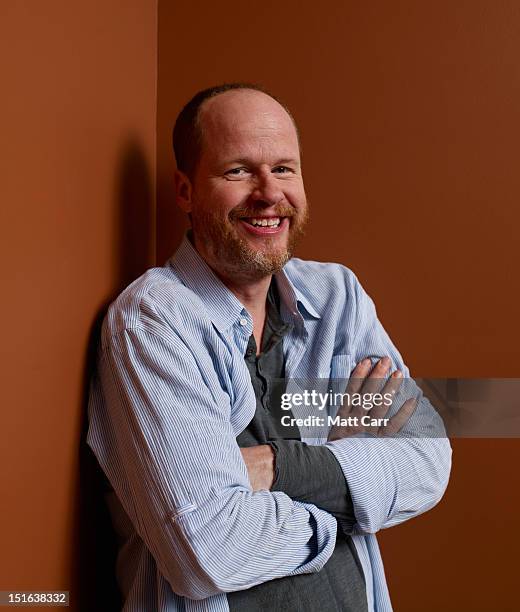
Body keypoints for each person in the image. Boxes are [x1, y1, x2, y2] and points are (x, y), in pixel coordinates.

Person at [87, 83, 451, 611]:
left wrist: (279, 468)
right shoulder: (153, 320)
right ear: (185, 191)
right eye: (238, 171)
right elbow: (206, 552)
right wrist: (345, 488)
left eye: (284, 169)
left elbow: (427, 461)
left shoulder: (338, 297)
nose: (268, 193)